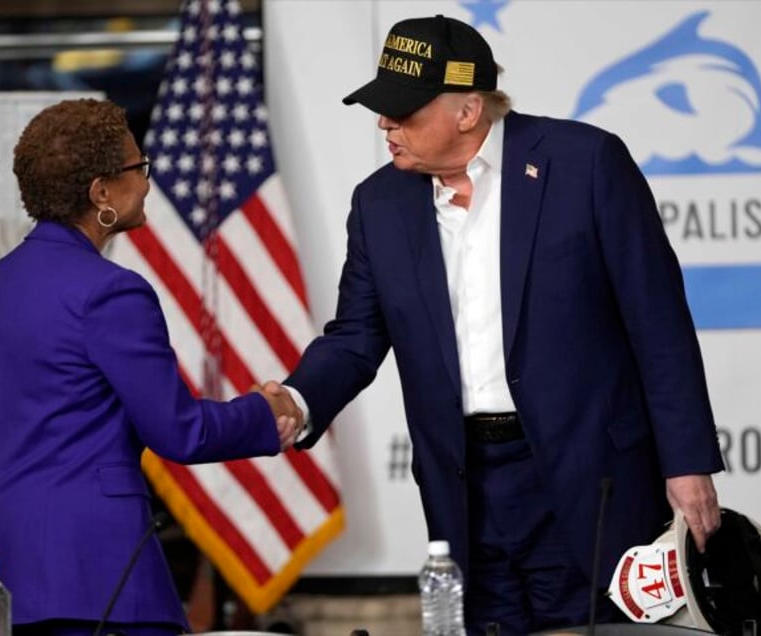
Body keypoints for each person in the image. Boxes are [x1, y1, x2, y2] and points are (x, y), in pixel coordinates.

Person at [273, 15, 725, 634]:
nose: (385, 124)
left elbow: (659, 323)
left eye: (402, 112)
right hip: (465, 490)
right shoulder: (377, 203)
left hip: (588, 477)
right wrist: (298, 401)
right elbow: (355, 336)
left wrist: (687, 462)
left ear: (467, 110)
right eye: (383, 110)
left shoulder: (587, 164)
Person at [0, 98, 302, 636]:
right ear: (101, 193)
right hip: (91, 568)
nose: (145, 183)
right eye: (137, 169)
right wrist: (268, 412)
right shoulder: (111, 292)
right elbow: (179, 431)